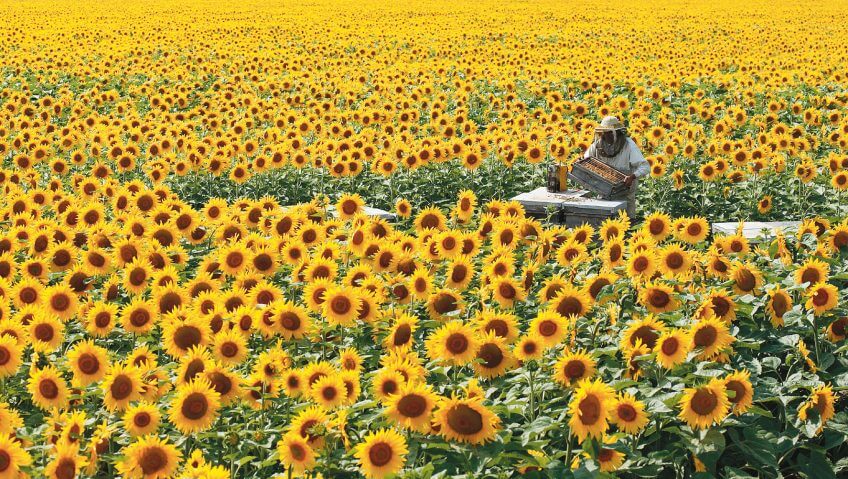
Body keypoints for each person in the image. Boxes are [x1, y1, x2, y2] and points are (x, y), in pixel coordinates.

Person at [583, 116, 650, 219]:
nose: (606, 135)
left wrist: (632, 176)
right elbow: (586, 159)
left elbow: (645, 166)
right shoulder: (597, 145)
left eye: (610, 132)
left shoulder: (629, 145)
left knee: (627, 227)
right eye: (604, 132)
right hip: (603, 195)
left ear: (617, 132)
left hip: (625, 197)